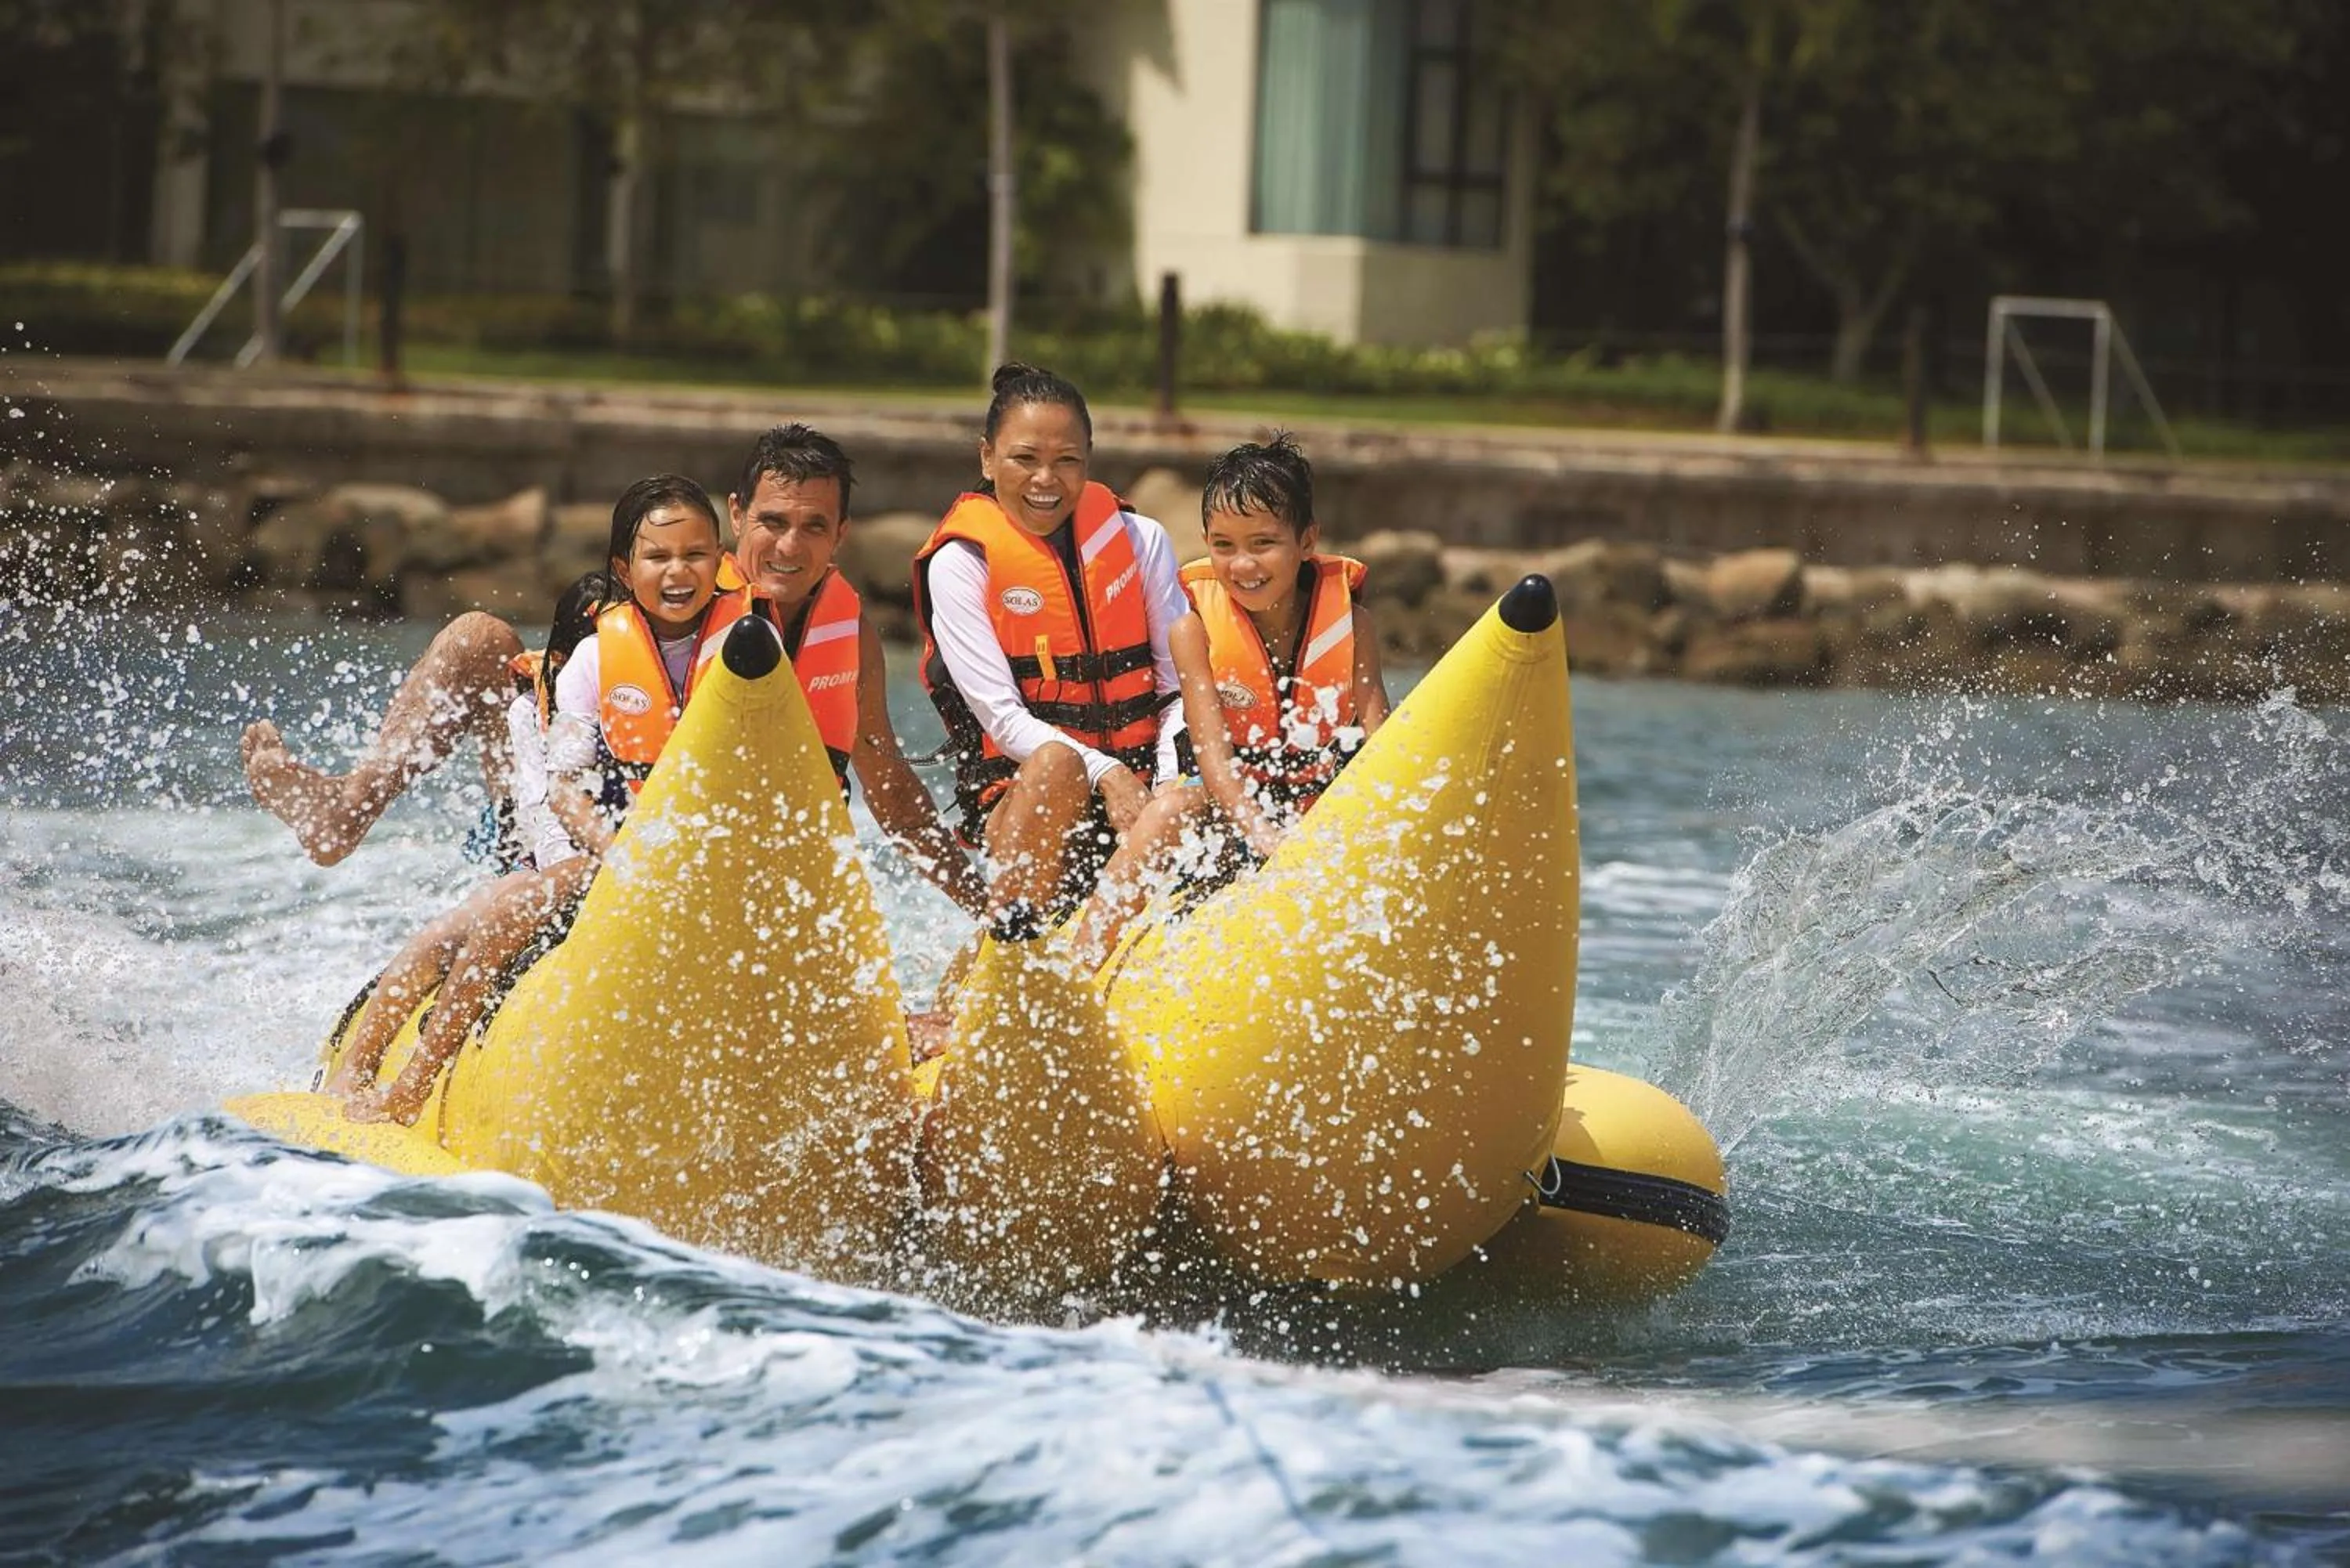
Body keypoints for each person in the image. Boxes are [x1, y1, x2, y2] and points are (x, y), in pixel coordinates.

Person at [345, 473, 729, 1123]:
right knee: (498, 906)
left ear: (720, 560)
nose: (677, 573)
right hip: (600, 859)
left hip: (704, 868)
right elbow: (564, 792)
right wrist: (621, 858)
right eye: (657, 557)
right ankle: (405, 1080)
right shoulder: (591, 664)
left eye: (693, 556)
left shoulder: (749, 647)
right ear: (625, 568)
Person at [1065, 432, 1389, 970]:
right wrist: (1261, 833)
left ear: (1307, 541)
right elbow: (1211, 757)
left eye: (1263, 543)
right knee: (1170, 808)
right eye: (1224, 546)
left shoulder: (1354, 626)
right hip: (1228, 822)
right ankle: (1077, 974)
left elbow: (1379, 734)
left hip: (1320, 820)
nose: (1243, 565)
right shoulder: (1193, 630)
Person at [909, 363, 1207, 947]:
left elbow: (1180, 689)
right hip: (1028, 801)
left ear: (1089, 461)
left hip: (1143, 796)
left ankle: (1095, 967)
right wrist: (1108, 773)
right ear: (987, 458)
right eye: (1025, 459)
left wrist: (1163, 790)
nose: (1046, 480)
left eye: (1067, 461)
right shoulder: (962, 563)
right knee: (1056, 766)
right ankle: (979, 987)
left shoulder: (1140, 541)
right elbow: (1002, 718)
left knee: (1191, 793)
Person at [322, 574, 606, 1107]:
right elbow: (547, 805)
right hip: (545, 854)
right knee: (458, 927)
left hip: (587, 858)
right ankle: (366, 1071)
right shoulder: (539, 707)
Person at [725, 424, 987, 919]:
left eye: (814, 526)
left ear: (841, 534)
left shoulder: (852, 638)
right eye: (773, 522)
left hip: (794, 894)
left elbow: (894, 797)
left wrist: (986, 908)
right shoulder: (689, 613)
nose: (789, 547)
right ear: (737, 515)